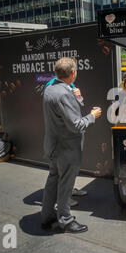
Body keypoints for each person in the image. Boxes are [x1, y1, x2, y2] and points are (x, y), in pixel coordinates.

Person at [40, 57, 102, 233]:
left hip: (53, 145)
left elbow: (65, 113)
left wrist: (78, 98)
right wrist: (92, 115)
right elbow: (76, 125)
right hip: (66, 148)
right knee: (66, 185)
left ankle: (47, 216)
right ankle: (65, 220)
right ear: (73, 73)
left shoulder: (50, 89)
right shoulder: (64, 93)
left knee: (53, 181)